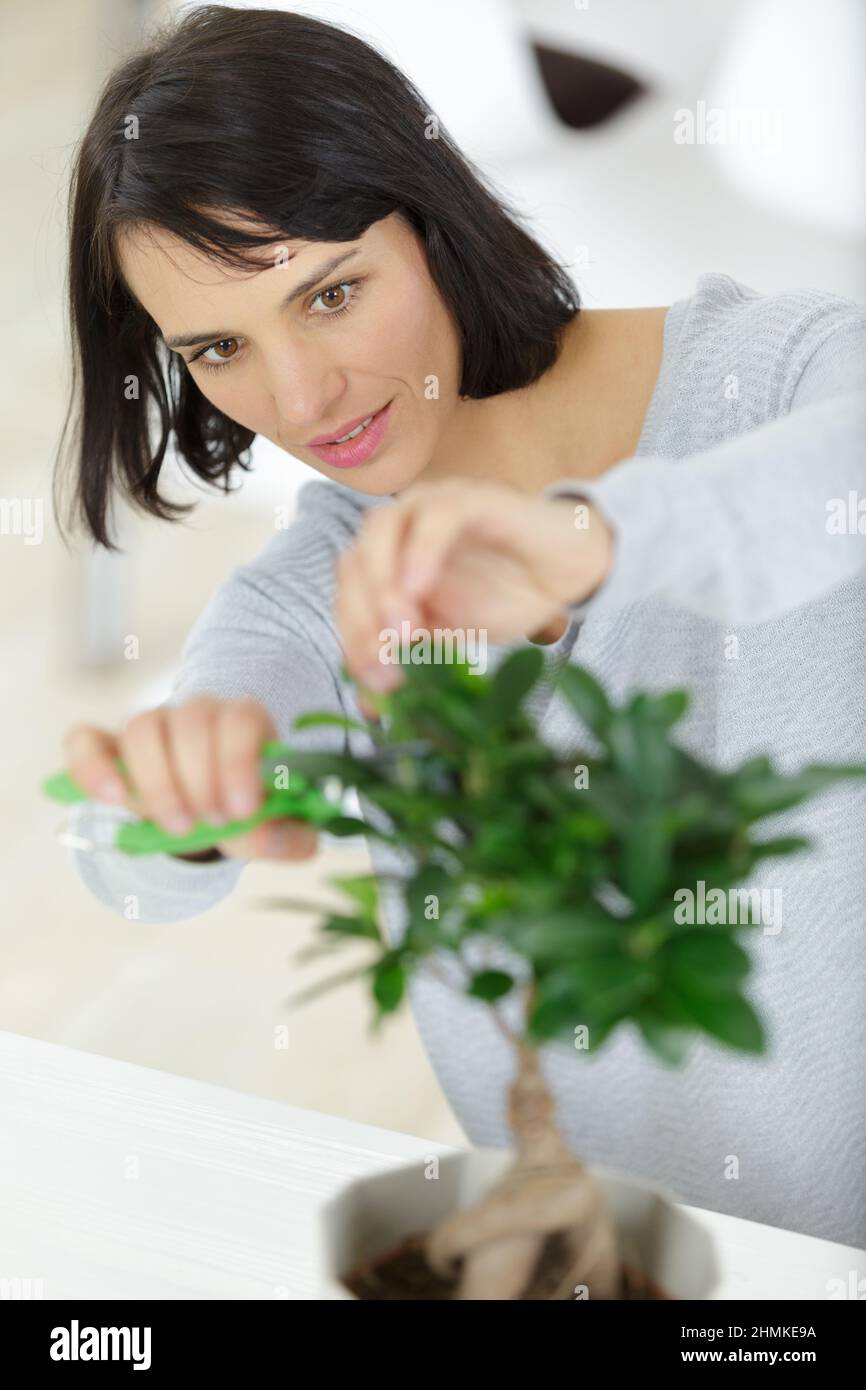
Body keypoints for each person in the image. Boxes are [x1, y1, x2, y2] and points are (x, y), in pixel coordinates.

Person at [54, 5, 865, 1247]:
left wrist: (595, 539)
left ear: (432, 222)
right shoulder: (318, 582)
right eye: (218, 347)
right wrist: (175, 807)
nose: (299, 397)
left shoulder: (780, 371)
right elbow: (135, 842)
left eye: (332, 294)